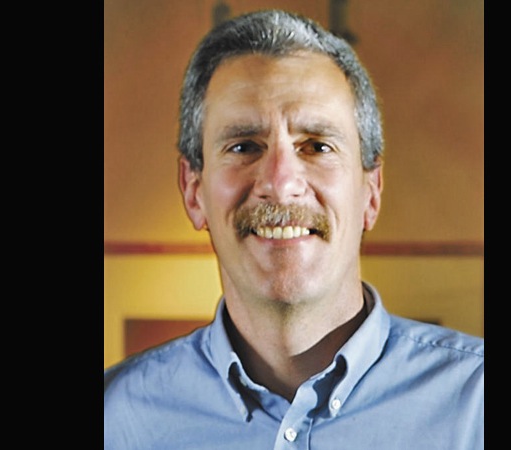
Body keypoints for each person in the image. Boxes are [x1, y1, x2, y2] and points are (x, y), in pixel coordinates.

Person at [104, 9, 484, 449]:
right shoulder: (114, 420)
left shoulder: (476, 406)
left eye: (317, 146)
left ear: (370, 192)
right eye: (244, 146)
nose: (281, 184)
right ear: (193, 192)